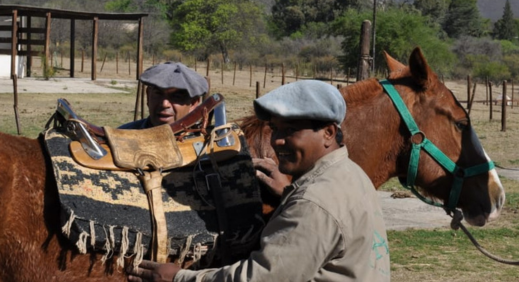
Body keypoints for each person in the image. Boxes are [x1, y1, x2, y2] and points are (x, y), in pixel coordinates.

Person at [127, 80, 391, 282]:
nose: (277, 140)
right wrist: (290, 194)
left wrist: (179, 277)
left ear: (328, 133)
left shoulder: (313, 203)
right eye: (275, 128)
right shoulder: (351, 174)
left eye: (291, 130)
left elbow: (261, 277)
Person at [119, 62, 209, 129]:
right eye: (158, 94)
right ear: (148, 96)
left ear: (193, 104)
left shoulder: (205, 146)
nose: (165, 104)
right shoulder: (121, 137)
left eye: (176, 97)